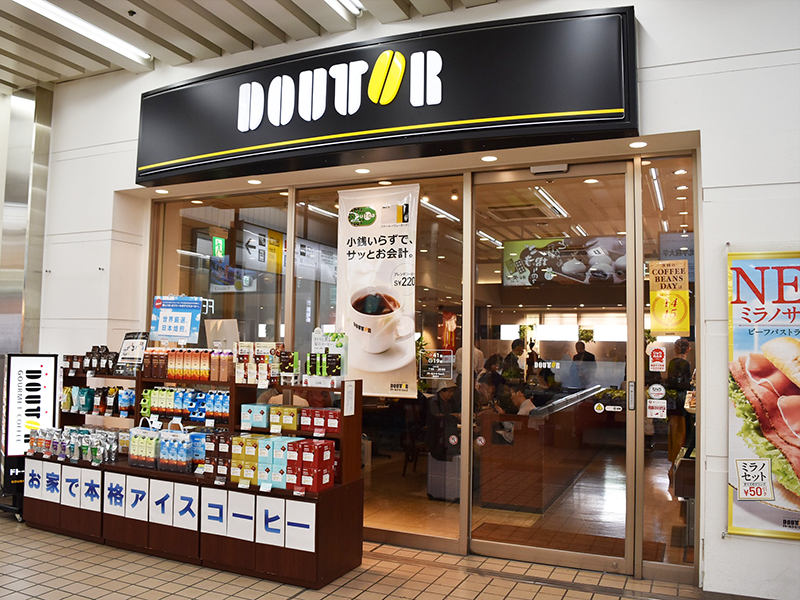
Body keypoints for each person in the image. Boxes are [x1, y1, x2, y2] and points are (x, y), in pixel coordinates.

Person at [666, 338, 693, 462]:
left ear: (675, 349)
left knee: (673, 430)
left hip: (672, 400)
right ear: (688, 349)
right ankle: (678, 458)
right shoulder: (685, 363)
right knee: (681, 431)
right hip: (681, 401)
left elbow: (671, 381)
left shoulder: (672, 362)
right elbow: (684, 383)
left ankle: (673, 457)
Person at [427, 383, 460, 460]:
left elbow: (457, 411)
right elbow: (437, 416)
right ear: (441, 391)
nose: (451, 394)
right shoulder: (434, 401)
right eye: (449, 391)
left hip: (451, 428)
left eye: (452, 391)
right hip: (437, 431)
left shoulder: (452, 401)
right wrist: (452, 415)